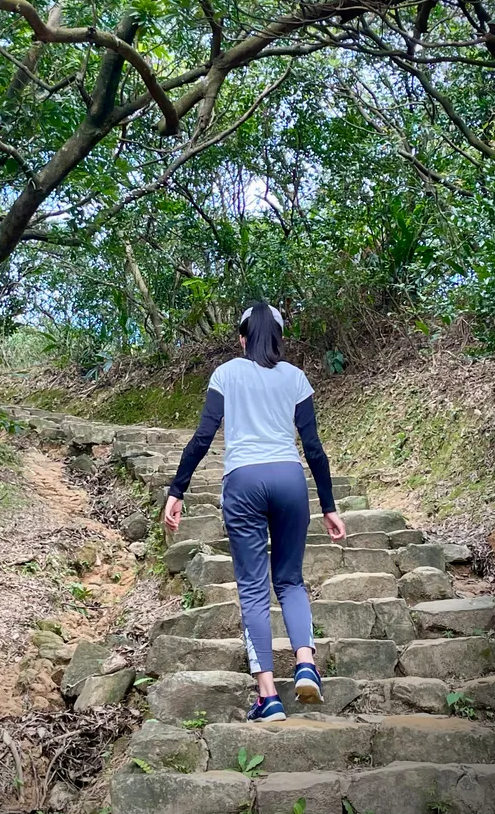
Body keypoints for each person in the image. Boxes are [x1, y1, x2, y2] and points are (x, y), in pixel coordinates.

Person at [164, 302, 346, 722]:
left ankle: (268, 697)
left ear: (242, 338)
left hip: (243, 481)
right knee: (291, 581)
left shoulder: (226, 373)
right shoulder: (296, 378)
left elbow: (203, 436)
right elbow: (314, 449)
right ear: (278, 338)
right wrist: (329, 506)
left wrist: (178, 490)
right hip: (290, 480)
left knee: (253, 588)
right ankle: (306, 664)